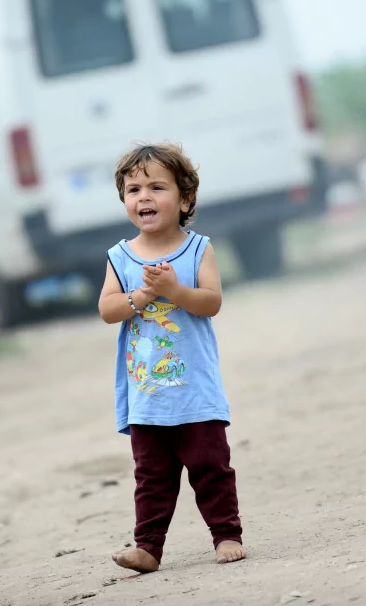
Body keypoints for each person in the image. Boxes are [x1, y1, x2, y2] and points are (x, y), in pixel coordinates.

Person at [98, 143, 245, 573]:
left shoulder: (198, 249)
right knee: (152, 476)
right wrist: (137, 297)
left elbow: (210, 302)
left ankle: (226, 535)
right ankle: (148, 547)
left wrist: (173, 291)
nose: (144, 197)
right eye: (133, 189)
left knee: (210, 466)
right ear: (124, 200)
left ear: (185, 199)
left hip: (195, 391)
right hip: (147, 393)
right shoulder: (120, 257)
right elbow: (108, 310)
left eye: (157, 187)